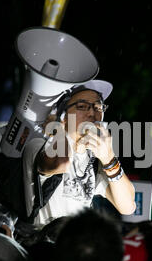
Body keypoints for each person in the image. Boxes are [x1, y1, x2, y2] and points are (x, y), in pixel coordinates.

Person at [22, 79, 136, 226]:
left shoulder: (95, 161)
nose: (92, 113)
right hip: (43, 246)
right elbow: (60, 163)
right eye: (82, 106)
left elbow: (128, 206)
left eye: (98, 107)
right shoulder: (39, 145)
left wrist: (109, 160)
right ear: (63, 115)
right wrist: (57, 126)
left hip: (75, 246)